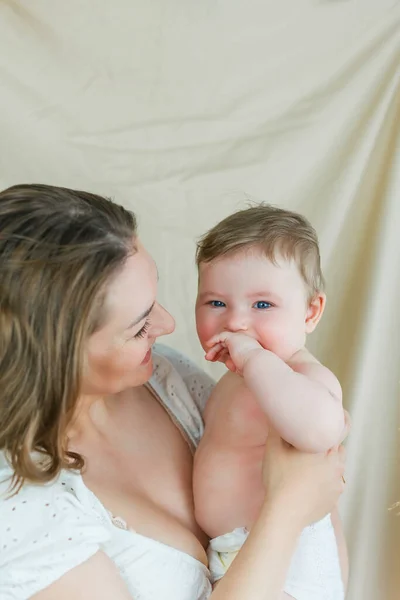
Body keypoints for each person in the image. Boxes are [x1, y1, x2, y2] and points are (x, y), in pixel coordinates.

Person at [0, 184, 347, 600]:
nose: (167, 325)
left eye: (156, 298)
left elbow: (323, 524)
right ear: (58, 355)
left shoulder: (166, 377)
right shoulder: (18, 509)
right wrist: (287, 509)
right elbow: (306, 490)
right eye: (140, 324)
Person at [193, 205, 348, 599]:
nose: (236, 322)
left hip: (292, 556)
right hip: (237, 552)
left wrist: (255, 359)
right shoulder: (232, 382)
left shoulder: (304, 378)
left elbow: (322, 430)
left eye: (262, 305)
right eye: (216, 303)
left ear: (310, 312)